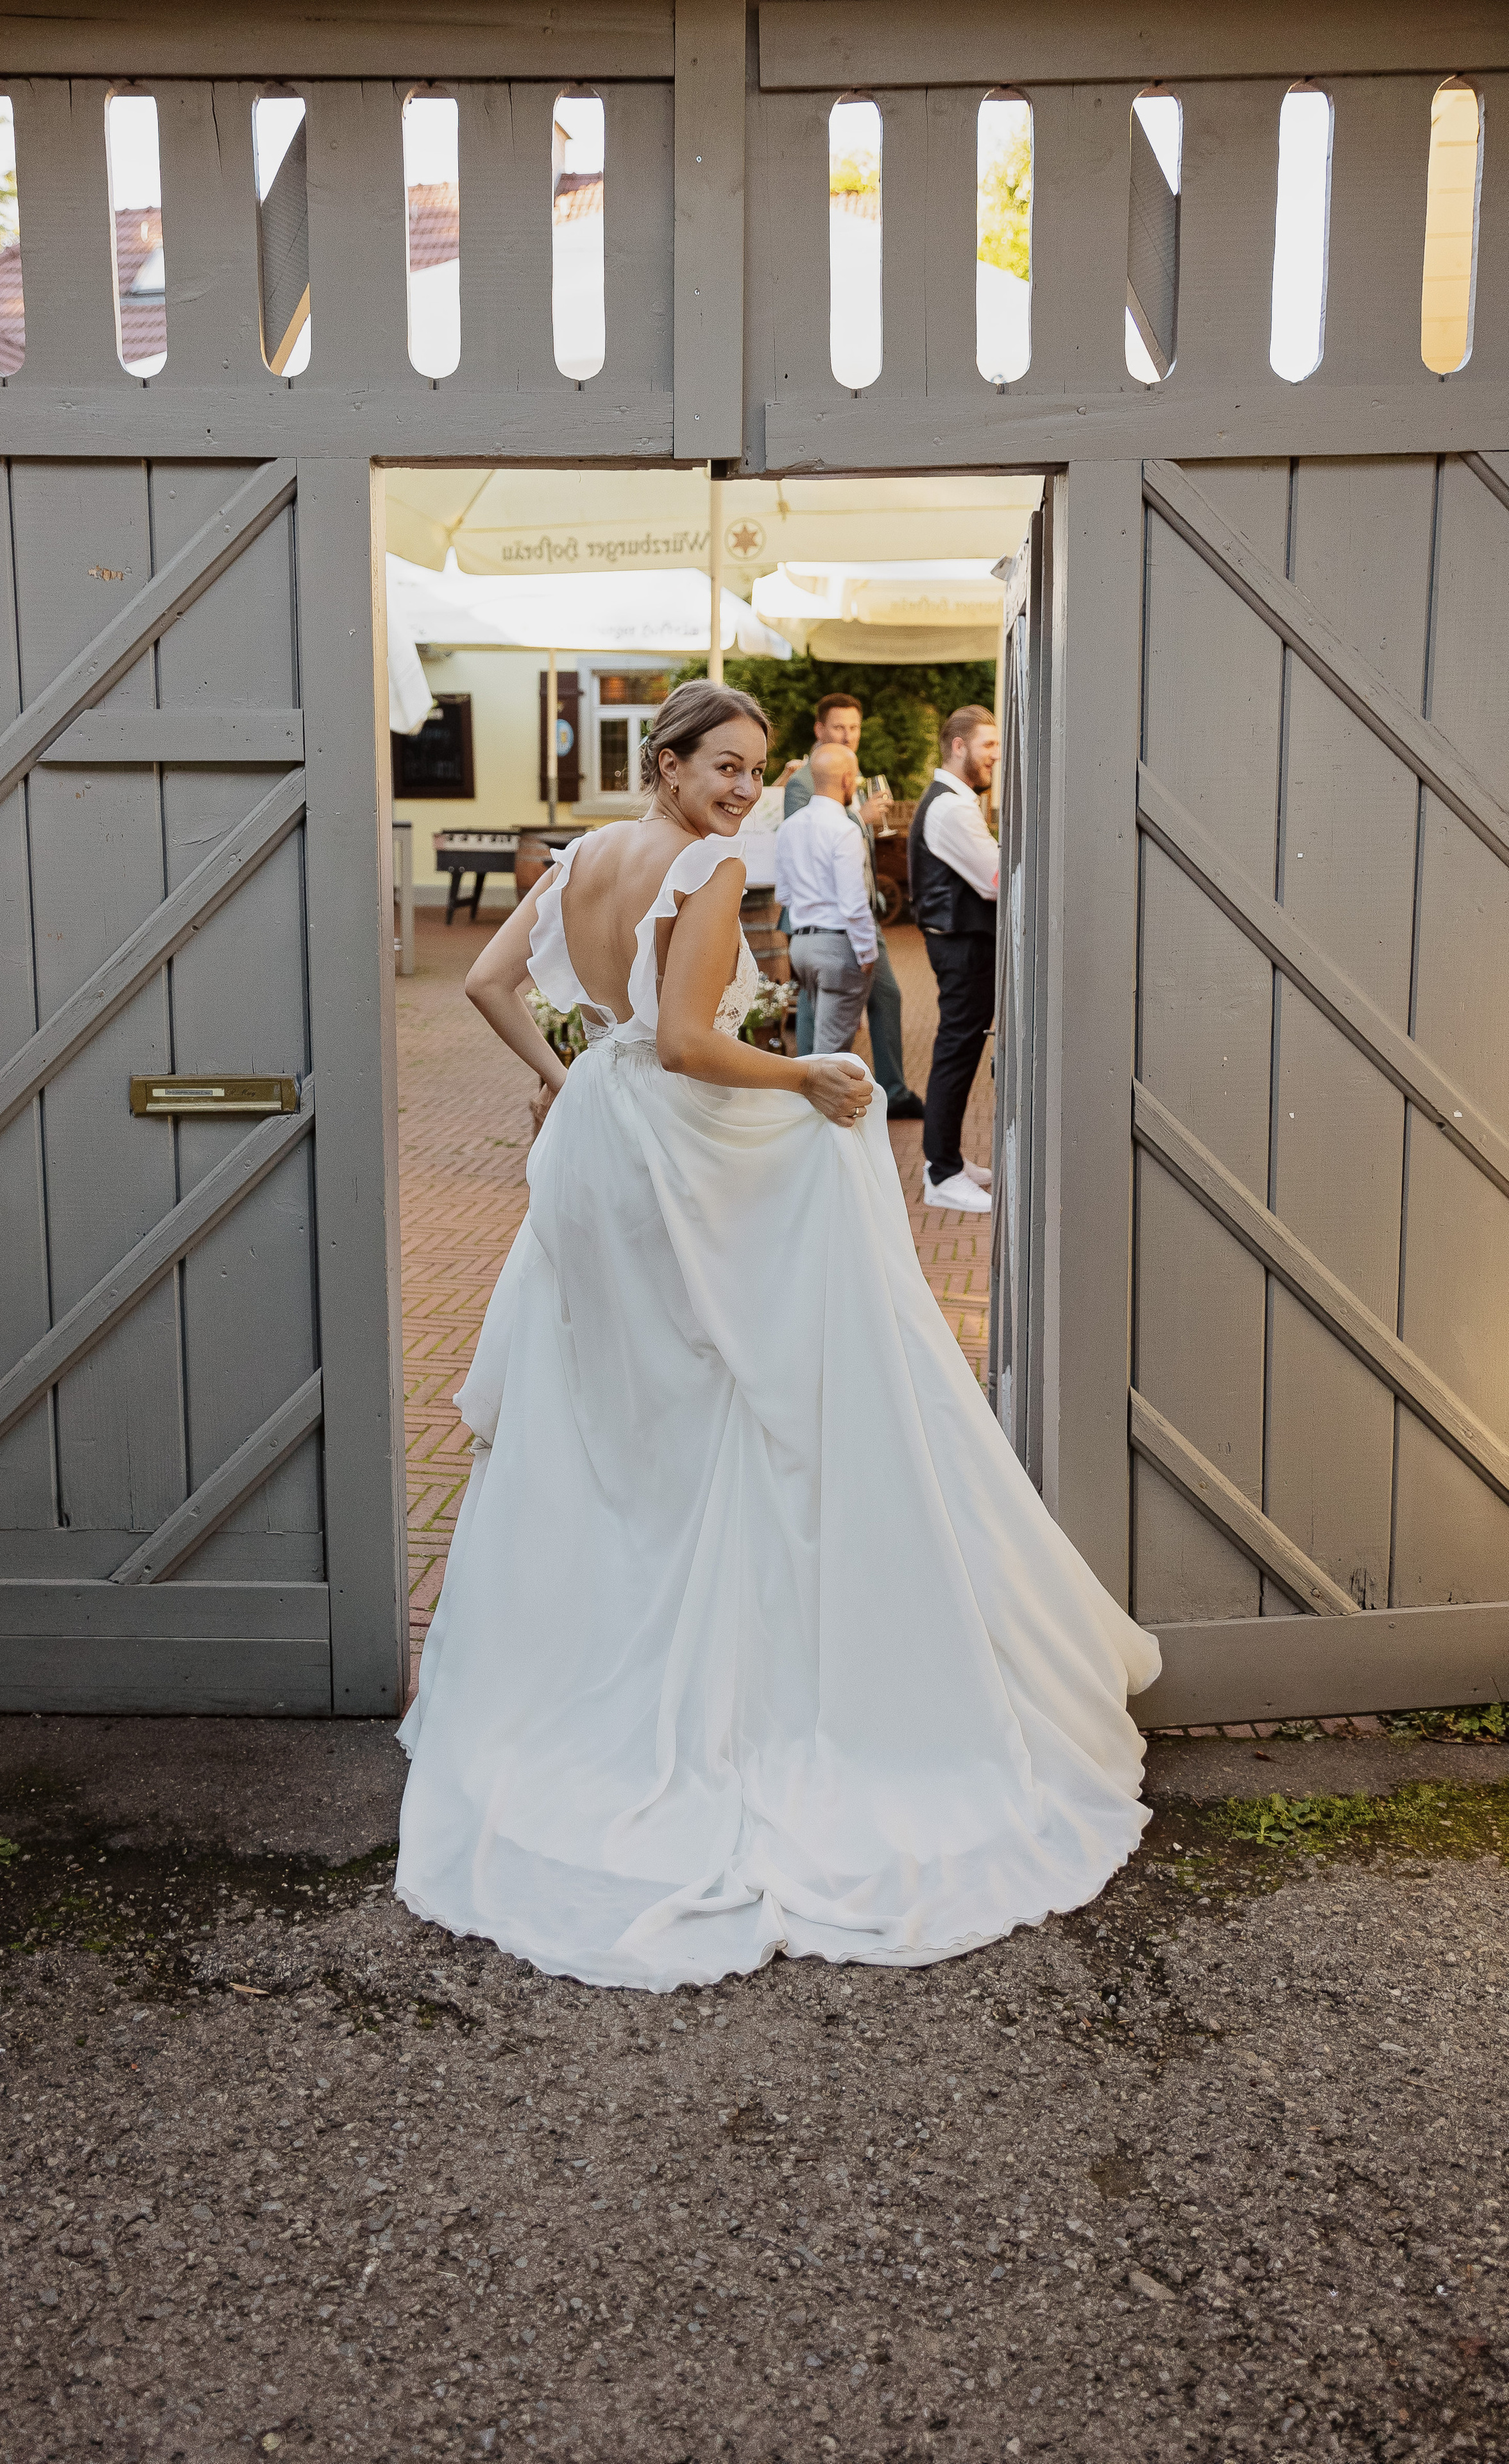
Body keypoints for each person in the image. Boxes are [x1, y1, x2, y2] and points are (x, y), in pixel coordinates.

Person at [393, 678, 1159, 1992]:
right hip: (661, 1151)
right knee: (715, 1401)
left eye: (755, 771)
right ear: (672, 761)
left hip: (591, 1154)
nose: (744, 791)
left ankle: (584, 1685)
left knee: (611, 1415)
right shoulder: (698, 866)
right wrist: (806, 1072)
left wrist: (568, 1075)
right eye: (725, 766)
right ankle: (715, 1695)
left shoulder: (580, 855)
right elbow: (691, 1044)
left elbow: (484, 980)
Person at [783, 694, 924, 1120]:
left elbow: (788, 883)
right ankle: (809, 1100)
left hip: (831, 926)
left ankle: (889, 1091)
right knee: (825, 1033)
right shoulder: (805, 784)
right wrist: (864, 950)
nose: (849, 736)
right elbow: (832, 878)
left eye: (854, 728)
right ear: (820, 730)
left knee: (883, 998)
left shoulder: (843, 781)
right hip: (837, 925)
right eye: (840, 728)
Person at [912, 706, 1002, 1215]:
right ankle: (941, 1173)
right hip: (962, 944)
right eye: (988, 745)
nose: (996, 755)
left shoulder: (956, 802)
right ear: (959, 746)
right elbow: (994, 879)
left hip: (962, 941)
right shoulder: (951, 808)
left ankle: (946, 1159)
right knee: (955, 1050)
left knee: (960, 1050)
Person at [772, 741, 878, 1054]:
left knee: (823, 1044)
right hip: (836, 947)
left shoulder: (789, 827)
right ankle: (818, 1104)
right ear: (847, 780)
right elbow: (853, 903)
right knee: (831, 1057)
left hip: (801, 947)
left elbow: (785, 894)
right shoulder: (844, 830)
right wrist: (868, 952)